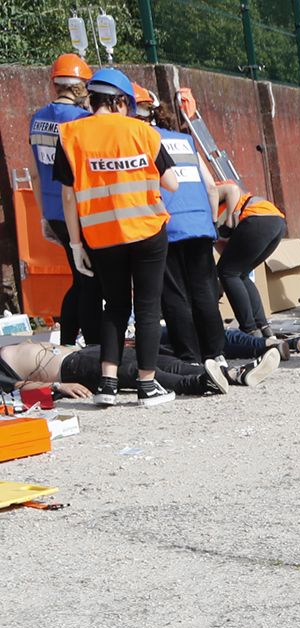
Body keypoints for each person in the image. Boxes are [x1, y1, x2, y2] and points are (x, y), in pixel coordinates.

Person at [55, 67, 180, 408]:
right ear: (122, 102)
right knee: (148, 307)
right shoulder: (143, 132)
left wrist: (75, 243)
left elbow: (68, 197)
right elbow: (172, 184)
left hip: (102, 235)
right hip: (147, 232)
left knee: (115, 307)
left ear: (92, 99)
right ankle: (147, 384)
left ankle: (107, 384)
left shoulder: (70, 134)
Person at [140, 92, 230, 374]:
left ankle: (189, 357)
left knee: (175, 294)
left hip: (166, 225)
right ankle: (217, 354)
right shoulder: (187, 141)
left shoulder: (141, 140)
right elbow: (212, 187)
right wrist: (210, 221)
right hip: (200, 224)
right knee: (205, 291)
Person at [28, 53, 101, 347]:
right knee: (91, 282)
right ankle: (94, 347)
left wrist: (43, 215)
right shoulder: (82, 121)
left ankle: (68, 341)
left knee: (79, 278)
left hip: (54, 212)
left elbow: (34, 174)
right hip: (79, 212)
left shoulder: (37, 119)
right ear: (82, 86)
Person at [0, 336, 274, 398]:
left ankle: (235, 374)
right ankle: (202, 383)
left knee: (156, 362)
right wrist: (59, 386)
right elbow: (14, 387)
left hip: (82, 353)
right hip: (70, 369)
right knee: (133, 375)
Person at [215, 187, 288, 342]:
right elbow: (227, 253)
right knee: (238, 273)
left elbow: (232, 189)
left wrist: (228, 221)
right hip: (275, 222)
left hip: (257, 219)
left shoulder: (209, 189)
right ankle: (263, 328)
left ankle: (249, 330)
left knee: (229, 273)